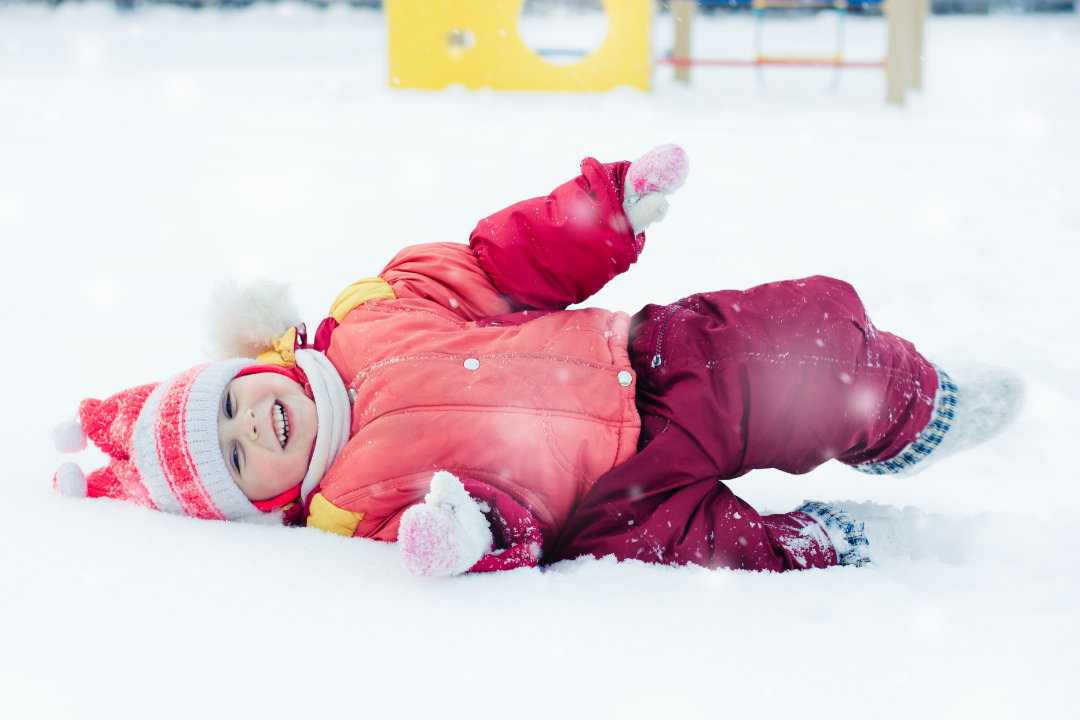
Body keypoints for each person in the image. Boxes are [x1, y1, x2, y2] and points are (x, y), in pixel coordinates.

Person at [50, 145, 1023, 576]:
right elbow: (491, 516)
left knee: (802, 346)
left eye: (229, 403)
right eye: (234, 453)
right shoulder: (350, 503)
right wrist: (467, 535)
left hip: (645, 365)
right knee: (737, 559)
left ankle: (915, 415)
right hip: (616, 502)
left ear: (254, 365)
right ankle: (841, 550)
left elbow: (497, 265)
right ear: (260, 501)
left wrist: (603, 209)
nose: (248, 424)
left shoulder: (370, 316)